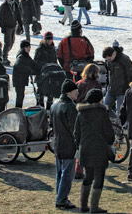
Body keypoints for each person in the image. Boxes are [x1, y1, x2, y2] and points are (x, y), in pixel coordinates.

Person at [76, 89, 114, 213]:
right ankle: (94, 206)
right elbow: (109, 134)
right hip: (100, 149)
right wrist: (110, 142)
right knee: (99, 177)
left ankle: (83, 204)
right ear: (99, 99)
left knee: (88, 176)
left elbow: (76, 133)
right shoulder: (102, 113)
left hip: (85, 148)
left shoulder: (81, 113)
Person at [48, 80, 80, 210]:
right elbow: (75, 128)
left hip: (58, 142)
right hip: (68, 143)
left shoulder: (54, 105)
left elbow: (51, 125)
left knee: (60, 172)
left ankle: (60, 196)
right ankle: (61, 199)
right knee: (67, 173)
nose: (77, 92)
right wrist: (79, 143)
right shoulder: (70, 107)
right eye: (75, 90)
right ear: (69, 92)